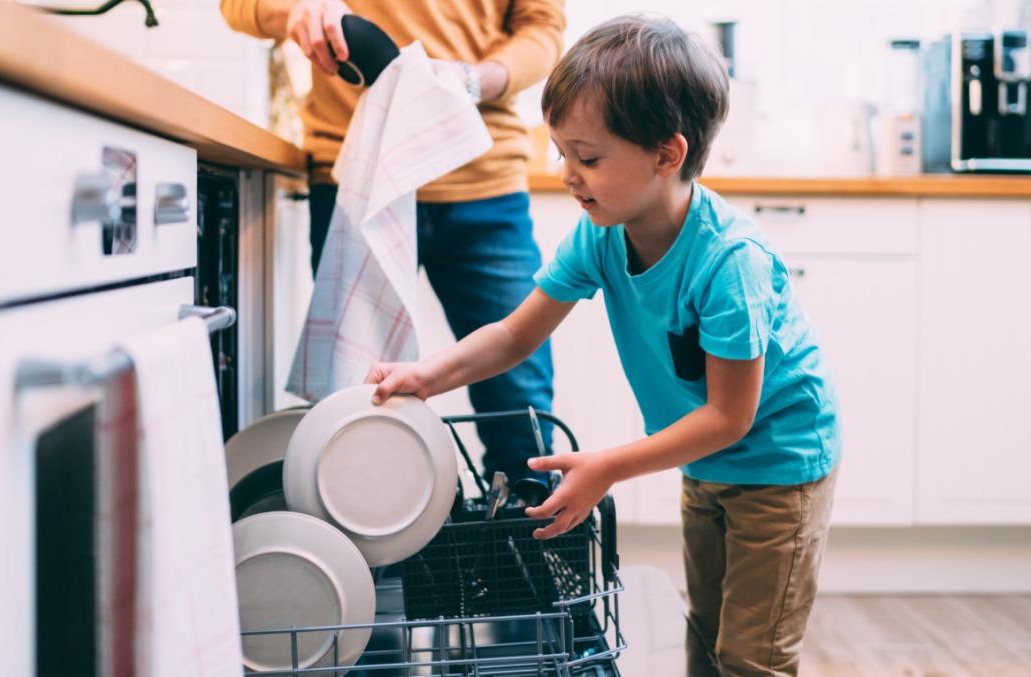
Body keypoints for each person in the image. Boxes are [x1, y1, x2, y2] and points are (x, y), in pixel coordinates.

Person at [366, 14, 842, 677]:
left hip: (779, 468)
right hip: (707, 462)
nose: (567, 173)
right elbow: (513, 334)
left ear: (666, 154)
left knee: (751, 657)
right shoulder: (603, 234)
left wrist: (610, 465)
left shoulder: (729, 263)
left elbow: (731, 416)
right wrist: (427, 375)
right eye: (561, 152)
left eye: (587, 157)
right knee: (706, 634)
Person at [219, 0, 565, 481]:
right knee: (355, 391)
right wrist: (295, 11)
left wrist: (474, 79)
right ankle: (365, 546)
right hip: (359, 177)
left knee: (517, 401)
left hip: (482, 179)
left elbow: (542, 27)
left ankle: (524, 542)